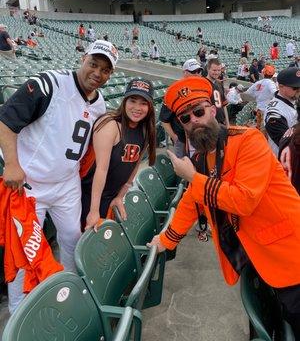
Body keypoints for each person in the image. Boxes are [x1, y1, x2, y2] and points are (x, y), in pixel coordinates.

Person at [147, 76, 300, 339]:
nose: (194, 120)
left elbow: (244, 200)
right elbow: (192, 201)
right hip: (257, 258)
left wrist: (193, 178)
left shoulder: (248, 140)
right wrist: (165, 241)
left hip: (291, 256)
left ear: (213, 109)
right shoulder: (200, 158)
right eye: (185, 118)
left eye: (198, 111)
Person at [0, 40, 118, 313]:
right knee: (24, 255)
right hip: (29, 186)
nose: (98, 73)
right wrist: (12, 164)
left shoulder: (100, 103)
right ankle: (20, 312)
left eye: (105, 69)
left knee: (72, 240)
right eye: (94, 64)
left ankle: (69, 294)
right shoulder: (49, 83)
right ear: (84, 58)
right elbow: (6, 121)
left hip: (67, 184)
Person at [81, 78, 156, 229]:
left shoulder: (145, 129)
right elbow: (101, 170)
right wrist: (94, 210)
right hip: (88, 196)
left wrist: (120, 195)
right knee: (83, 241)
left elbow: (134, 166)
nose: (137, 107)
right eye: (132, 101)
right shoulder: (110, 124)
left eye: (143, 103)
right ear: (124, 101)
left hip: (110, 196)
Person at [159, 59, 204, 158]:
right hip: (183, 139)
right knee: (183, 167)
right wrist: (175, 137)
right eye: (193, 72)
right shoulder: (174, 91)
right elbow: (163, 119)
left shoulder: (200, 89)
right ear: (185, 73)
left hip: (200, 136)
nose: (197, 74)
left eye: (199, 71)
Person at [265, 67, 300, 156]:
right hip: (283, 162)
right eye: (295, 87)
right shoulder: (274, 113)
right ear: (281, 86)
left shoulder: (293, 98)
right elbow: (288, 144)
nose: (299, 90)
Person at [244, 64, 277, 130]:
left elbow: (248, 92)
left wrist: (257, 95)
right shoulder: (270, 83)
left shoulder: (258, 82)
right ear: (272, 74)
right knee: (265, 130)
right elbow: (275, 93)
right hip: (267, 110)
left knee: (259, 128)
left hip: (259, 108)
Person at [206, 58, 229, 126]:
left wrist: (227, 124)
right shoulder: (203, 83)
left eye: (219, 70)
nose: (216, 72)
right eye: (214, 70)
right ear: (208, 69)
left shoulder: (219, 84)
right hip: (209, 124)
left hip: (221, 122)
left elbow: (224, 105)